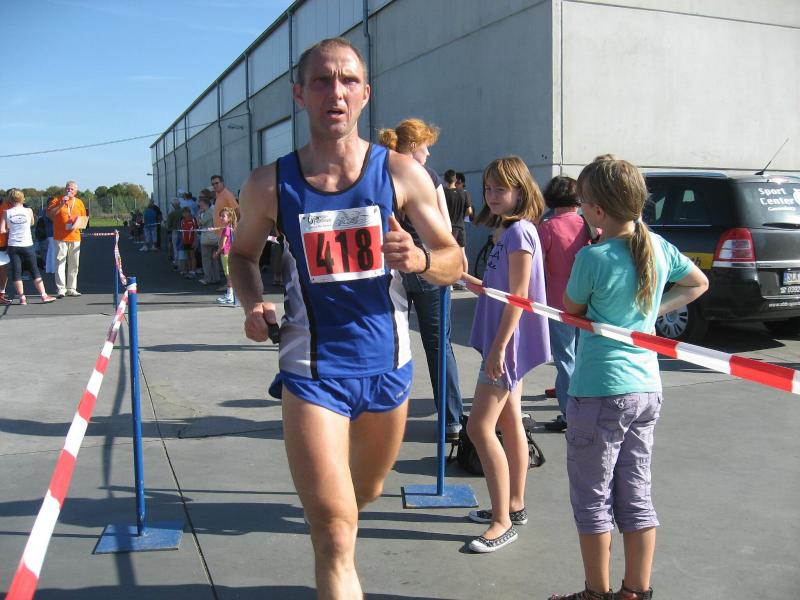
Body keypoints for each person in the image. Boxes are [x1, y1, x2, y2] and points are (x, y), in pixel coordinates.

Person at [230, 37, 461, 598]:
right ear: (300, 95)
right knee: (334, 531)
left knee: (366, 494)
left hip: (388, 367)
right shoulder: (268, 184)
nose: (336, 92)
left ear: (365, 94)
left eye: (348, 80)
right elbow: (241, 256)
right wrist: (252, 302)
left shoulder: (401, 173)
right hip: (311, 372)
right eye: (322, 81)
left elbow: (453, 260)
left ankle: (338, 519)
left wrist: (420, 260)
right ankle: (333, 547)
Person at [550, 157, 708, 600]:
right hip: (646, 388)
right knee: (636, 493)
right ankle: (636, 591)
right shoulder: (659, 247)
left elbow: (571, 307)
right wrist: (651, 313)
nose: (580, 209)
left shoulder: (593, 257)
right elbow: (697, 283)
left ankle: (595, 593)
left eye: (582, 202)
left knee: (592, 499)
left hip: (599, 389)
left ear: (598, 210)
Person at [461, 156, 550, 553]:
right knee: (510, 421)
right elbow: (498, 289)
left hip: (506, 343)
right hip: (505, 340)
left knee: (479, 428)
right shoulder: (507, 232)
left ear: (520, 190)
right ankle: (513, 505)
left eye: (500, 188)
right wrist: (461, 276)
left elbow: (519, 296)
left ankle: (501, 522)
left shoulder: (520, 233)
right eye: (488, 188)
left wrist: (499, 347)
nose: (492, 195)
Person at [378, 118, 464, 441]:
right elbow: (445, 227)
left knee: (390, 343)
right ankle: (451, 421)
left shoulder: (382, 173)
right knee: (439, 345)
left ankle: (381, 421)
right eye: (425, 146)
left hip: (393, 269)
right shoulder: (427, 176)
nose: (428, 154)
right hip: (427, 265)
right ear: (413, 146)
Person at [537, 175, 592, 432]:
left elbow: (537, 268)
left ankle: (570, 414)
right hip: (587, 301)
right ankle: (587, 406)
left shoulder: (547, 228)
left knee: (565, 359)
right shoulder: (588, 225)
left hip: (557, 304)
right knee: (584, 357)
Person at [0, 189, 57, 304]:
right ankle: (43, 295)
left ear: (10, 200)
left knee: (16, 272)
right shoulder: (28, 210)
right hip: (27, 244)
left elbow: (2, 230)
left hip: (13, 245)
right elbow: (32, 223)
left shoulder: (6, 212)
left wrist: (11, 228)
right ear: (22, 198)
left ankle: (22, 298)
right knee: (34, 270)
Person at [47, 180, 86, 297]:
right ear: (65, 189)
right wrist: (61, 204)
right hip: (60, 237)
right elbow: (50, 215)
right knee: (60, 262)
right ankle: (61, 289)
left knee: (74, 264)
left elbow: (83, 219)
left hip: (75, 236)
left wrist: (77, 225)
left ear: (76, 191)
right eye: (68, 188)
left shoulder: (79, 202)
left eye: (72, 189)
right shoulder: (57, 200)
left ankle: (72, 288)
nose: (69, 191)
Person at [443, 169, 473, 279]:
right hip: (461, 226)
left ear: (445, 180)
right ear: (455, 180)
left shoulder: (443, 193)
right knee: (462, 253)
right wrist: (461, 216)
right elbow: (469, 211)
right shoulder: (464, 193)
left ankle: (449, 280)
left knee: (448, 254)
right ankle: (465, 280)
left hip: (449, 228)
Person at [213, 207, 237, 305]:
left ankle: (229, 296)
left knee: (229, 276)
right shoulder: (230, 228)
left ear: (229, 218)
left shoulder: (227, 229)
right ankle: (229, 295)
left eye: (223, 216)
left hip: (226, 254)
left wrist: (217, 253)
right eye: (221, 216)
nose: (221, 218)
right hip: (229, 253)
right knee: (229, 275)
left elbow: (222, 244)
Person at [197, 195, 221, 285]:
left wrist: (198, 215)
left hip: (207, 238)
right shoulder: (214, 210)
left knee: (206, 259)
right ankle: (216, 277)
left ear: (205, 204)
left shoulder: (208, 212)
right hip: (215, 237)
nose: (200, 206)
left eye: (200, 204)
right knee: (214, 259)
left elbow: (201, 223)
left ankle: (208, 278)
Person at [178, 207, 198, 278]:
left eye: (186, 212)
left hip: (191, 241)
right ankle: (189, 270)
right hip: (185, 241)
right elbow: (181, 231)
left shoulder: (193, 219)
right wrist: (182, 241)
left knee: (192, 256)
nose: (184, 214)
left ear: (189, 213)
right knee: (187, 256)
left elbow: (195, 231)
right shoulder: (182, 221)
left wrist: (195, 241)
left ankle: (193, 271)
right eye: (183, 213)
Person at [0, 193, 12, 304]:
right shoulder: (6, 208)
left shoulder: (6, 208)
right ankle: (1, 294)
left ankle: (1, 294)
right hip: (3, 244)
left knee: (3, 270)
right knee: (3, 270)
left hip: (3, 244)